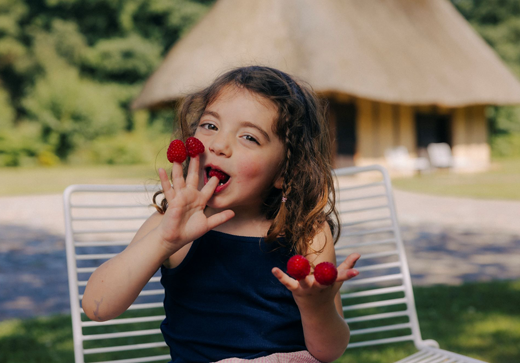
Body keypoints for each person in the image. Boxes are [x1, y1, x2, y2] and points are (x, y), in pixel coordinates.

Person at [82, 66, 360, 363]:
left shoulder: (308, 233)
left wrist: (316, 307)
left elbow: (329, 351)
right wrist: (164, 240)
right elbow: (97, 307)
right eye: (210, 126)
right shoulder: (168, 228)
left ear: (284, 171)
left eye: (249, 137)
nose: (218, 145)